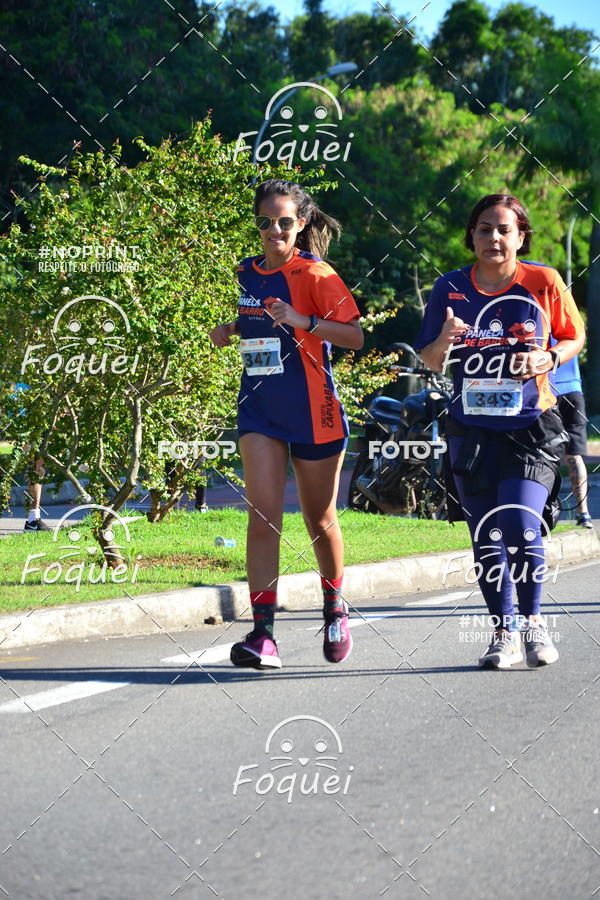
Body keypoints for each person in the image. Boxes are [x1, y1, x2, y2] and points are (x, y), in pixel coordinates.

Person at [415, 193, 585, 669]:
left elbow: (576, 335)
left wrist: (548, 357)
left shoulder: (543, 281)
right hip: (470, 430)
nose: (493, 237)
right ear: (471, 235)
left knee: (520, 525)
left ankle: (532, 624)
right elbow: (429, 358)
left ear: (520, 236)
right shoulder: (449, 288)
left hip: (530, 426)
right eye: (484, 228)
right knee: (486, 533)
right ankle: (503, 632)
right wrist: (445, 341)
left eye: (503, 229)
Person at [209, 179, 363, 669]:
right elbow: (256, 321)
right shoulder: (244, 273)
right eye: (264, 221)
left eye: (283, 222)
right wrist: (231, 329)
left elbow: (355, 336)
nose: (273, 230)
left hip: (313, 413)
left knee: (319, 519)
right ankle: (263, 635)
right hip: (260, 411)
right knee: (264, 514)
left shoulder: (316, 275)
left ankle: (335, 607)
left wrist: (303, 320)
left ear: (300, 224)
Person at [549, 352, 593, 528]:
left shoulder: (534, 325)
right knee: (574, 456)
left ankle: (544, 509)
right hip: (573, 391)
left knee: (542, 456)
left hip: (547, 391)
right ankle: (583, 513)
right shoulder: (570, 326)